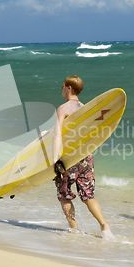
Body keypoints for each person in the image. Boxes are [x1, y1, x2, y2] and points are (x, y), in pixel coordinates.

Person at [51, 75, 113, 238]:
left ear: (69, 88)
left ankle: (74, 228)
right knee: (88, 195)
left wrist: (56, 160)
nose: (62, 89)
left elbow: (58, 135)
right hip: (86, 156)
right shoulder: (86, 108)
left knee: (64, 194)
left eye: (63, 86)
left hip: (69, 158)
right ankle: (105, 227)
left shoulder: (63, 109)